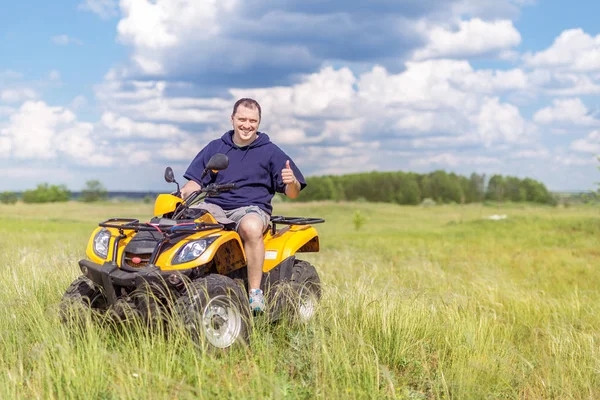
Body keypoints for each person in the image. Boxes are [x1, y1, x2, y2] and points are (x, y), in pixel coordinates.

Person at [180, 98, 306, 312]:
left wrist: (291, 181)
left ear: (259, 122)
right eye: (242, 119)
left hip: (252, 208)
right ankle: (181, 280)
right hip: (215, 206)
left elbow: (292, 193)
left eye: (252, 120)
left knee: (251, 227)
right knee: (183, 221)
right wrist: (186, 192)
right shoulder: (216, 147)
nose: (247, 125)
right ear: (232, 119)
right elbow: (194, 181)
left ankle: (255, 293)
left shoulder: (271, 152)